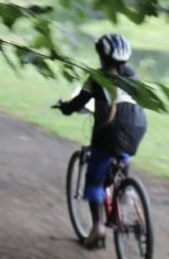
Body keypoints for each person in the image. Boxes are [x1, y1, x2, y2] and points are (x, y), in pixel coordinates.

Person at [56, 33, 148, 248]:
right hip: (137, 127)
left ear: (102, 55)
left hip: (109, 132)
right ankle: (124, 191)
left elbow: (77, 104)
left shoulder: (97, 77)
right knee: (122, 155)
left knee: (95, 179)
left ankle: (97, 228)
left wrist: (64, 107)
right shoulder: (133, 76)